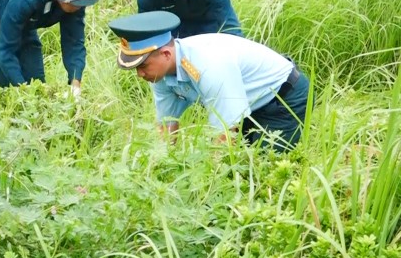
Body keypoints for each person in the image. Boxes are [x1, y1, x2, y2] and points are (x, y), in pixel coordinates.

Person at [109, 11, 311, 152]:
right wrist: (164, 166)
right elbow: (166, 124)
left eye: (143, 66)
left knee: (265, 167)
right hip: (246, 102)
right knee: (241, 166)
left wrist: (208, 183)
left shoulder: (209, 66)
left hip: (282, 98)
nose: (140, 74)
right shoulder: (159, 76)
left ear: (165, 54)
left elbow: (225, 132)